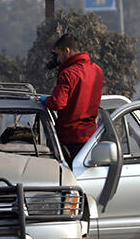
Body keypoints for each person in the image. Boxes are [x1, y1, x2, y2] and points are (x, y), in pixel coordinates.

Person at [39, 33, 104, 164]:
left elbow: (57, 103)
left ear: (66, 51)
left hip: (70, 139)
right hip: (91, 138)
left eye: (58, 55)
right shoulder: (97, 70)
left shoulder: (68, 74)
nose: (58, 60)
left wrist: (45, 100)